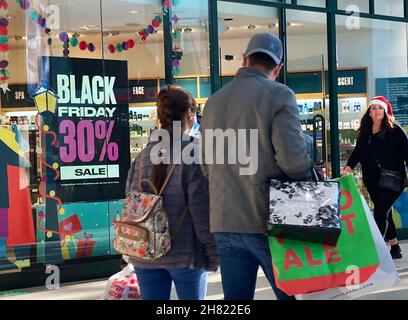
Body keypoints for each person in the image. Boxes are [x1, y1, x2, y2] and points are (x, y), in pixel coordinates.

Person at [201, 33, 312, 300]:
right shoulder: (280, 95)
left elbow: (206, 166)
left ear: (244, 59)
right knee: (292, 295)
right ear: (278, 68)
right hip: (270, 219)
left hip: (225, 219)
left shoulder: (213, 102)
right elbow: (293, 161)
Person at [125, 85, 218, 300]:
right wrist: (213, 252)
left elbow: (131, 202)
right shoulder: (194, 152)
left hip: (145, 253)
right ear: (189, 113)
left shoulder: (143, 155)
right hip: (184, 255)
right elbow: (202, 211)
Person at [342, 96, 408, 260]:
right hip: (372, 180)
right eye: (373, 108)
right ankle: (395, 248)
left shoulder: (395, 130)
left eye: (380, 108)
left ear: (385, 111)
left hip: (394, 180)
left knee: (380, 211)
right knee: (385, 211)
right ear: (369, 113)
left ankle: (375, 252)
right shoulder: (365, 132)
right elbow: (358, 152)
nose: (377, 111)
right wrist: (348, 167)